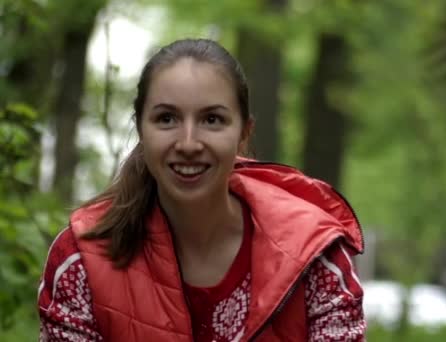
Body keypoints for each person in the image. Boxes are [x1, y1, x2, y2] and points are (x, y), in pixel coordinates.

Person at [38, 38, 366, 341]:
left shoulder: (315, 255)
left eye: (212, 120)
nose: (189, 143)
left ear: (244, 133)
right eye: (167, 119)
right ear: (141, 128)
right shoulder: (81, 259)